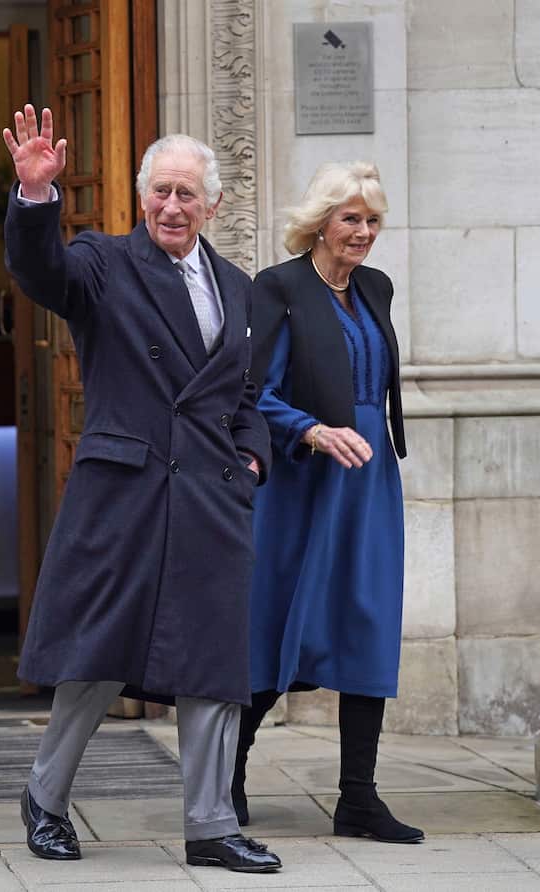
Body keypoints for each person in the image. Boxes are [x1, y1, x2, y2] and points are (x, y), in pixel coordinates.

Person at [1, 105, 281, 874]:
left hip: (211, 497)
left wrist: (252, 460)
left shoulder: (240, 289)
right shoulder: (102, 263)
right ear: (140, 197)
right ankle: (46, 799)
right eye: (160, 191)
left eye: (188, 194)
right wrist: (34, 201)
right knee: (96, 656)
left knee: (214, 662)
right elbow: (40, 272)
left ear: (213, 204)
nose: (171, 206)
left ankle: (211, 825)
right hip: (124, 491)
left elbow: (245, 399)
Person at [233, 161, 423, 844]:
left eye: (373, 221)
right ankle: (229, 769)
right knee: (286, 623)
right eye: (351, 219)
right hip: (304, 480)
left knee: (368, 618)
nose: (364, 232)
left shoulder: (375, 288)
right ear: (320, 222)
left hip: (369, 478)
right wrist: (310, 430)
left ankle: (359, 798)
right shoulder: (278, 288)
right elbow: (255, 392)